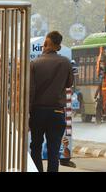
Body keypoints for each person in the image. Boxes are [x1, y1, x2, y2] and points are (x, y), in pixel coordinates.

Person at [29, 31, 74, 172]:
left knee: (36, 146)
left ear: (47, 43)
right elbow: (69, 83)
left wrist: (28, 113)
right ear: (58, 46)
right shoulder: (65, 62)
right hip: (57, 112)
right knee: (54, 149)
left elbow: (30, 90)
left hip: (38, 112)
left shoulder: (34, 64)